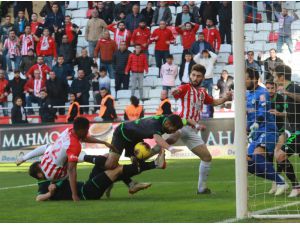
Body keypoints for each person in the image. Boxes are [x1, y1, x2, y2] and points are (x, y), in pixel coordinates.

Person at [165, 64, 232, 194]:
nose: (195, 78)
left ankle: (201, 189)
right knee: (176, 134)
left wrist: (225, 98)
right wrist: (175, 92)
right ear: (190, 75)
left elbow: (213, 102)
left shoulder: (202, 92)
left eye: (198, 76)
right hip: (181, 123)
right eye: (193, 75)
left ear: (203, 78)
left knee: (207, 157)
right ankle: (155, 151)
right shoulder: (184, 87)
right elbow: (177, 92)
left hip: (191, 130)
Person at [21, 117, 116, 201]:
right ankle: (110, 179)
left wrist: (104, 142)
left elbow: (84, 138)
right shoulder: (44, 184)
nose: (87, 132)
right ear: (39, 174)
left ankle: (106, 178)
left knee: (105, 158)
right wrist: (73, 195)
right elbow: (71, 170)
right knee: (103, 161)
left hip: (64, 172)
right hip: (69, 180)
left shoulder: (69, 132)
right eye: (86, 130)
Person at [245, 68, 287, 196]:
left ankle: (280, 182)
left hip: (267, 129)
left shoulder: (263, 93)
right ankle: (278, 180)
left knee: (257, 156)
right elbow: (248, 114)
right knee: (246, 162)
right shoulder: (246, 94)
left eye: (246, 78)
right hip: (255, 132)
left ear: (254, 79)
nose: (243, 81)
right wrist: (246, 128)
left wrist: (257, 122)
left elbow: (263, 112)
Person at [272, 64, 300, 197]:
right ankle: (296, 186)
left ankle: (296, 186)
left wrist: (287, 93)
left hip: (298, 131)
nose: (273, 78)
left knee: (279, 155)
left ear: (281, 77)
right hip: (295, 129)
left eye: (274, 75)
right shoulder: (287, 89)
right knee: (280, 156)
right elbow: (293, 113)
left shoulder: (294, 87)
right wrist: (280, 114)